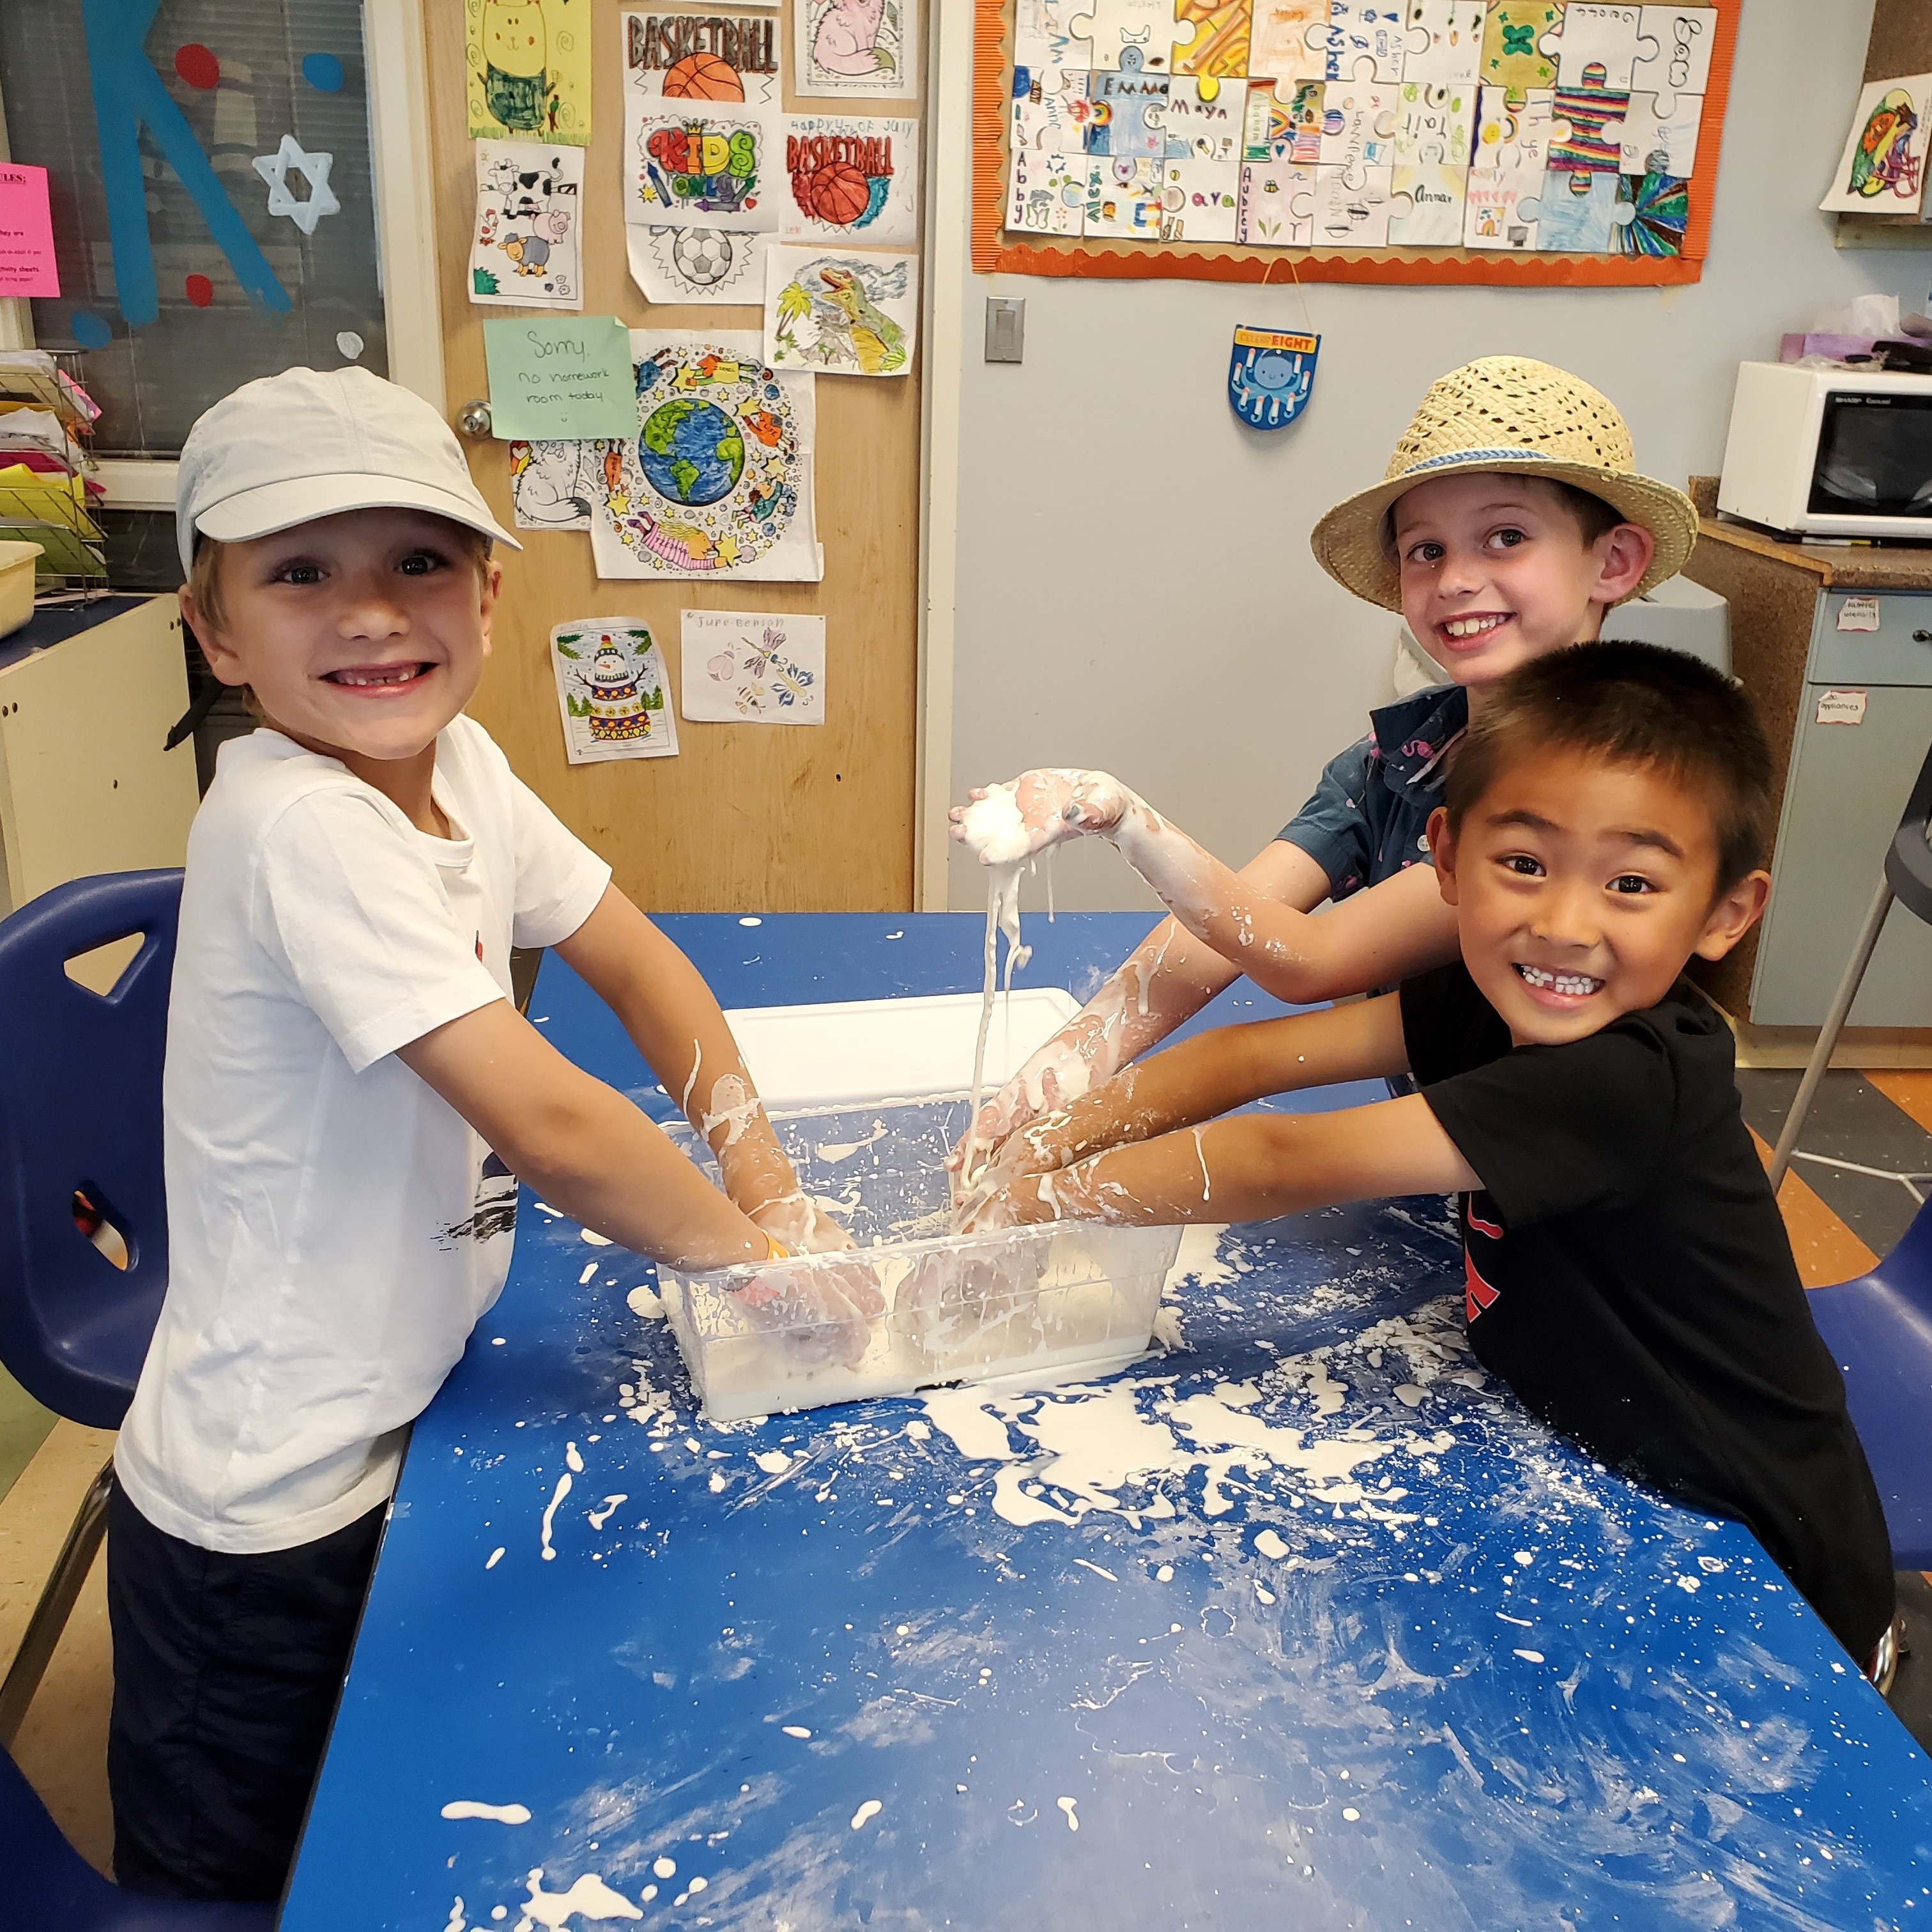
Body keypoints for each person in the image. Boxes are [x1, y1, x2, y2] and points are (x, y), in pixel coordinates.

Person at [105, 366, 866, 1901]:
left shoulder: (459, 769)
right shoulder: (299, 821)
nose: (373, 615)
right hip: (271, 1499)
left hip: (407, 1405)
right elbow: (555, 1119)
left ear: (491, 596)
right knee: (247, 1879)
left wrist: (768, 1177)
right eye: (300, 573)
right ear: (216, 629)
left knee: (382, 1820)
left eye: (418, 563)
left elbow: (638, 962)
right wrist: (756, 1272)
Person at [962, 641, 1899, 1678]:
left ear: (1725, 913)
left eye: (1631, 883)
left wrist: (1035, 1205)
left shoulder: (1627, 1080)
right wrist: (1047, 1134)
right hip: (1596, 1457)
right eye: (1526, 864)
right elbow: (1249, 1057)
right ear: (1447, 856)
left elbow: (1278, 1158)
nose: (1564, 925)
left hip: (1759, 1558)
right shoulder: (1484, 997)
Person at [947, 356, 1699, 1188]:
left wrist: (1124, 818)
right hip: (1455, 1193)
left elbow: (1304, 962)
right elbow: (1216, 943)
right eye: (1425, 549)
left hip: (1575, 1190)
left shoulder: (1583, 806)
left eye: (1508, 537)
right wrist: (1052, 1086)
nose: (1456, 578)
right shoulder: (1395, 765)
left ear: (1615, 561)